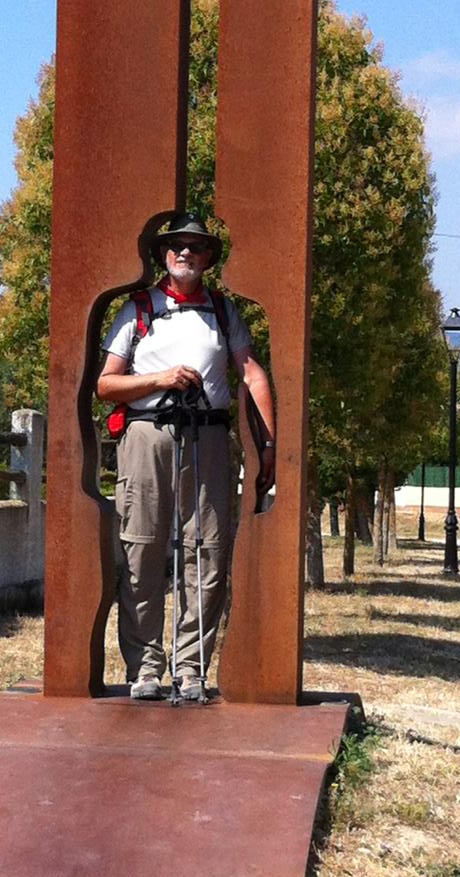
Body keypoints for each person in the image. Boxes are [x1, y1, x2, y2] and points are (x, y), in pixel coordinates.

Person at [96, 213, 275, 700]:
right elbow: (106, 384)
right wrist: (161, 379)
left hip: (208, 437)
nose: (185, 253)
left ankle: (192, 666)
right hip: (147, 435)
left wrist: (269, 447)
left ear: (209, 257)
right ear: (162, 254)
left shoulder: (222, 311)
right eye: (177, 245)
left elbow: (251, 374)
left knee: (208, 550)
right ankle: (145, 668)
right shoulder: (138, 310)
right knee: (142, 547)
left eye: (195, 246)